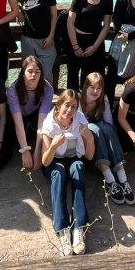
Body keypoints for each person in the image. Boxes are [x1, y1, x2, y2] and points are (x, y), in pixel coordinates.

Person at [39, 89, 95, 256]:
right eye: (66, 105)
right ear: (59, 105)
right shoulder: (50, 123)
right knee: (59, 173)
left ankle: (79, 226)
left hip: (73, 158)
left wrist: (90, 138)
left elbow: (90, 156)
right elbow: (45, 161)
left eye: (74, 107)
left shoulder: (79, 121)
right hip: (53, 161)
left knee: (78, 167)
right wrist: (54, 145)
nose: (69, 110)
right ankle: (62, 229)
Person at [80, 73, 133, 205]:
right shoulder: (78, 100)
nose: (95, 91)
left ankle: (123, 180)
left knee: (107, 128)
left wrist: (110, 138)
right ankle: (110, 180)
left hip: (100, 132)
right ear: (85, 87)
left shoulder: (103, 100)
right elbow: (79, 127)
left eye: (99, 88)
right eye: (92, 87)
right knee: (96, 129)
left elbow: (109, 123)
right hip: (83, 135)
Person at [66, 0, 113, 91]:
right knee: (73, 78)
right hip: (77, 39)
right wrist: (75, 47)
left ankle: (92, 108)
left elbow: (106, 26)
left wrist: (95, 47)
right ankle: (72, 106)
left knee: (95, 79)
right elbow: (70, 22)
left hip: (95, 41)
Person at [8, 56, 54, 172]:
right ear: (23, 73)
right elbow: (18, 122)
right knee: (11, 138)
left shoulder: (47, 88)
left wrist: (37, 151)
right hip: (19, 116)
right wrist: (25, 150)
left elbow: (42, 122)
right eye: (30, 71)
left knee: (47, 127)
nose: (33, 75)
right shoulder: (13, 89)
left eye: (37, 72)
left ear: (41, 74)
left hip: (36, 114)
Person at [16, 0, 59, 85]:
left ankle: (46, 102)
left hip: (46, 41)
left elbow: (54, 15)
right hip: (28, 40)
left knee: (45, 76)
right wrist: (18, 11)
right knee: (29, 76)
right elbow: (12, 2)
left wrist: (51, 36)